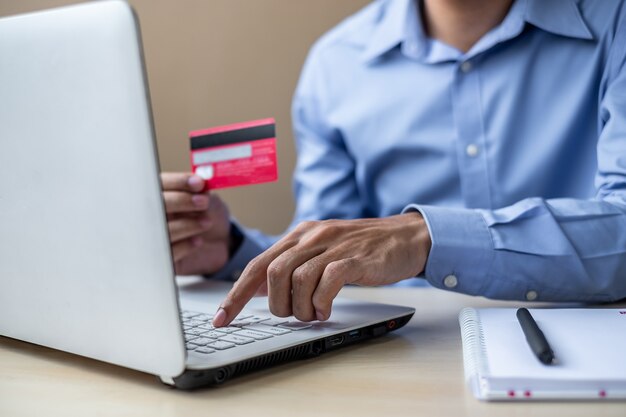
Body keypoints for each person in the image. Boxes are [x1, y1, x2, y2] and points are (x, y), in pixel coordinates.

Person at [161, 0, 626, 327]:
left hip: (580, 346)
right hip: (406, 352)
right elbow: (335, 245)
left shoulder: (616, 21)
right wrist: (230, 248)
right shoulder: (335, 64)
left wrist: (424, 238)